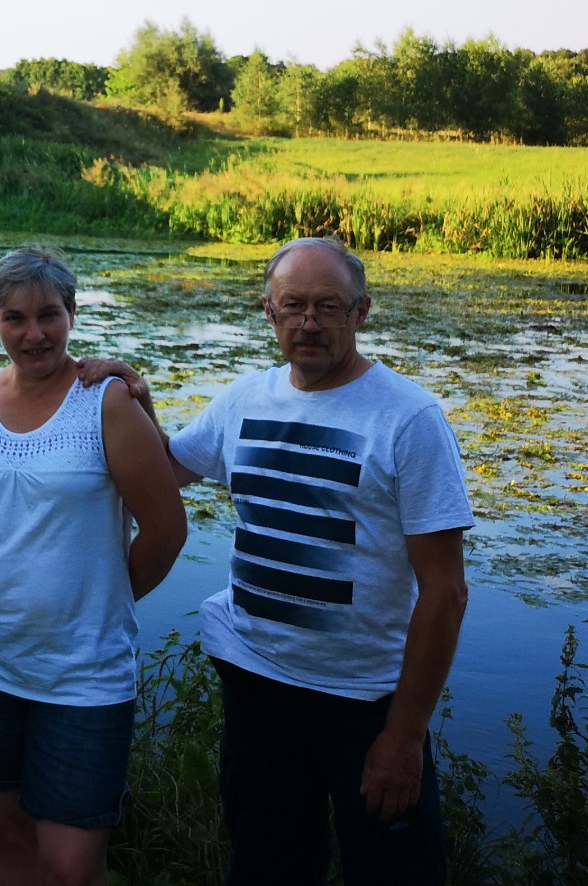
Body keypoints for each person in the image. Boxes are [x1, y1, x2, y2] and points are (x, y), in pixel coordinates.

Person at [143, 235, 472, 886]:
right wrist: (126, 397)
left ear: (362, 311)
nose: (309, 323)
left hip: (365, 701)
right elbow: (164, 468)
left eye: (329, 306)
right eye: (293, 306)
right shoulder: (244, 400)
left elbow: (445, 592)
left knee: (396, 873)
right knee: (266, 867)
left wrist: (405, 736)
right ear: (268, 310)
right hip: (257, 686)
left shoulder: (409, 420)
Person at [0, 246, 187, 886]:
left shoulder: (106, 404)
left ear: (72, 312)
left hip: (83, 674)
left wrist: (104, 597)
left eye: (50, 315)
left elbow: (165, 529)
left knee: (73, 866)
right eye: (15, 318)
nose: (35, 333)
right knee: (3, 834)